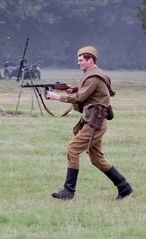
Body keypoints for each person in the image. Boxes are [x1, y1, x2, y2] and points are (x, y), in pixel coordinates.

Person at [46, 46, 133, 200]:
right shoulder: (92, 75)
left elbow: (80, 98)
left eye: (81, 60)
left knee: (72, 149)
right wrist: (74, 90)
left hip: (95, 123)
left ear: (90, 60)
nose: (78, 63)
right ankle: (124, 187)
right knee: (97, 158)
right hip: (95, 121)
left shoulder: (93, 77)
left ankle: (68, 191)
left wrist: (57, 97)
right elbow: (85, 93)